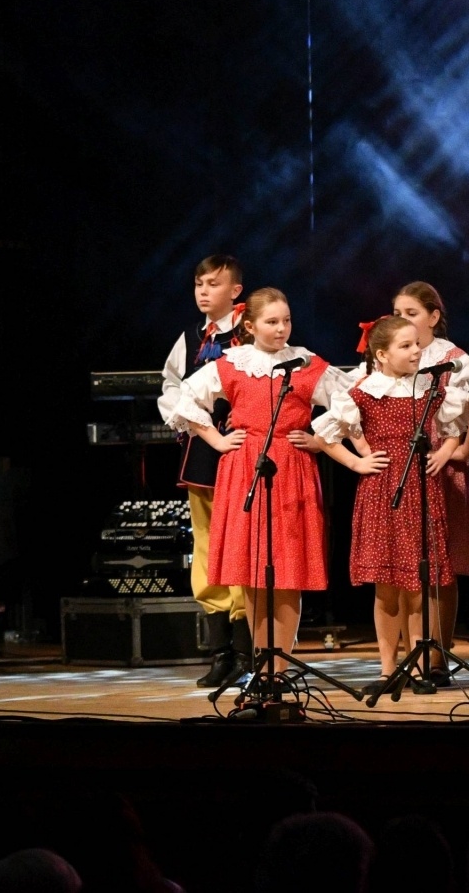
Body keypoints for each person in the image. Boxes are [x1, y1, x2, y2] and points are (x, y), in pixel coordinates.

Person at [175, 288, 349, 675]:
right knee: (253, 572)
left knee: (287, 572)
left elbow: (350, 402)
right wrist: (218, 440)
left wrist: (319, 439)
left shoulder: (305, 363)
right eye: (272, 322)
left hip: (292, 469)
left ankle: (279, 669)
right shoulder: (233, 365)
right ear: (250, 326)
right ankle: (261, 664)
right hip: (245, 470)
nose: (281, 328)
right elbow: (185, 400)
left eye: (286, 320)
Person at [311, 315, 464, 699]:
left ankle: (419, 665)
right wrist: (357, 462)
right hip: (382, 491)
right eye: (406, 346)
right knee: (387, 586)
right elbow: (325, 435)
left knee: (418, 586)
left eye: (417, 344)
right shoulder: (364, 391)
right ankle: (387, 667)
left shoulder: (429, 388)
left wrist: (443, 454)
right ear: (381, 354)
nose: (416, 351)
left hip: (422, 491)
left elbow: (453, 429)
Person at [156, 254, 250, 688]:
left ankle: (247, 650)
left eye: (213, 284)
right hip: (204, 452)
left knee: (242, 544)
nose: (204, 291)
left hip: (243, 448)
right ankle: (220, 651)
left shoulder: (251, 330)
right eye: (199, 284)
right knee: (208, 544)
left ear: (235, 290)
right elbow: (171, 386)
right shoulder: (191, 337)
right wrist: (190, 422)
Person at [392, 281, 469, 684]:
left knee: (443, 565)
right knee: (406, 565)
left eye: (411, 313)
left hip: (441, 469)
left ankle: (438, 656)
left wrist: (458, 449)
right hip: (402, 470)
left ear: (433, 317)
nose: (403, 319)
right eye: (398, 313)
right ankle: (409, 654)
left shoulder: (454, 360)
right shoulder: (390, 355)